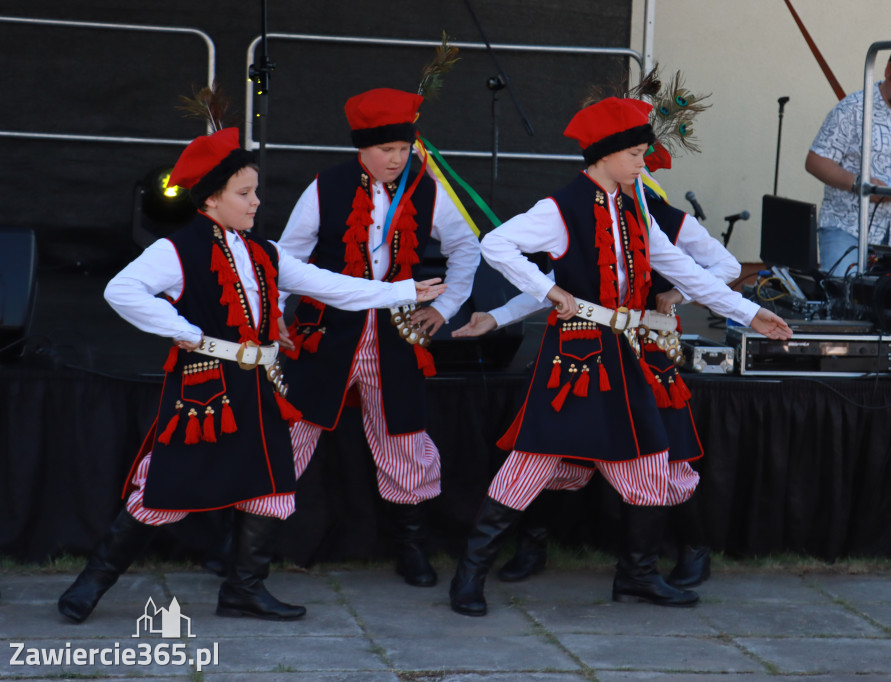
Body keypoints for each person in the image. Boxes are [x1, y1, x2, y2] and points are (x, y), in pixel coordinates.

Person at [57, 126, 445, 624]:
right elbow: (122, 290)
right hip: (207, 389)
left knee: (273, 487)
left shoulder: (262, 251)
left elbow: (330, 286)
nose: (256, 201)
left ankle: (244, 589)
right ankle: (92, 582)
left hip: (260, 386)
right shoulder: (178, 250)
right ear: (211, 198)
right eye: (244, 193)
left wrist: (404, 292)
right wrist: (185, 332)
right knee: (164, 488)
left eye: (255, 191)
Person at [448, 96, 791, 617]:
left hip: (627, 356)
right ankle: (469, 577)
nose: (642, 163)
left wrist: (750, 314)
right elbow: (496, 244)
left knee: (651, 462)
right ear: (605, 155)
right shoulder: (558, 209)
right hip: (579, 358)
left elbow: (688, 271)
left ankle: (636, 576)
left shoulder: (637, 210)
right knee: (531, 462)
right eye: (634, 153)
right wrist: (546, 292)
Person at [452, 157, 738, 589]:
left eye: (642, 154)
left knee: (665, 451)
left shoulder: (663, 219)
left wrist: (677, 293)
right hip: (590, 349)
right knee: (551, 448)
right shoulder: (582, 211)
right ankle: (534, 544)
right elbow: (560, 284)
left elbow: (727, 269)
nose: (638, 165)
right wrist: (498, 316)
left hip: (648, 350)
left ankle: (681, 553)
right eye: (631, 153)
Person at [277, 88, 480, 588]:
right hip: (327, 333)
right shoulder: (326, 187)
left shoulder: (426, 188)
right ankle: (253, 545)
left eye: (403, 147)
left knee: (403, 437)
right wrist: (275, 317)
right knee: (292, 433)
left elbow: (467, 248)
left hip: (395, 336)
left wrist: (445, 308)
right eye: (385, 149)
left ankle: (410, 547)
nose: (396, 158)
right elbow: (285, 259)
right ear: (361, 148)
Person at [806, 49, 891, 277]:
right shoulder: (852, 109)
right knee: (844, 301)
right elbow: (815, 160)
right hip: (848, 227)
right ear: (888, 70)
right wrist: (861, 184)